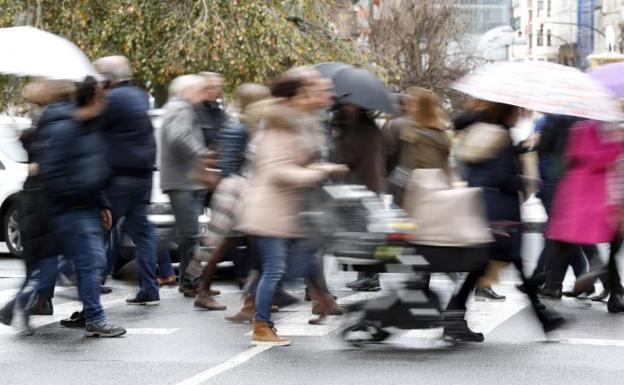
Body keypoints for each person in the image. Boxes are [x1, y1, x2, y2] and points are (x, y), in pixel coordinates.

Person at [239, 72, 347, 346]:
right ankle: (261, 325)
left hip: (288, 210)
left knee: (303, 261)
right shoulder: (278, 125)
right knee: (274, 269)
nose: (313, 96)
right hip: (271, 209)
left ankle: (318, 302)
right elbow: (276, 170)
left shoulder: (296, 122)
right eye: (307, 91)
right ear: (296, 96)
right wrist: (319, 172)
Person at [462, 101, 565, 334]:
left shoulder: (487, 132)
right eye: (516, 111)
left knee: (492, 264)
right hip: (501, 212)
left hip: (489, 208)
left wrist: (519, 149)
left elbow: (483, 171)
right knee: (498, 262)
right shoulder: (501, 137)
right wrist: (527, 182)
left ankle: (543, 318)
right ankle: (542, 318)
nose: (519, 115)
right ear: (506, 113)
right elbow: (500, 176)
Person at [38, 76, 126, 337]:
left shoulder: (89, 127)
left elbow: (92, 169)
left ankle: (89, 313)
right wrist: (79, 196)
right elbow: (53, 173)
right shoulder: (68, 129)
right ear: (94, 99)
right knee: (90, 263)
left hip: (85, 206)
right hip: (73, 209)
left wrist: (102, 203)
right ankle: (95, 318)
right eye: (102, 97)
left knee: (88, 263)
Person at [0, 79, 73, 329]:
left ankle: (30, 303)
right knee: (54, 260)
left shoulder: (41, 124)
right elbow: (50, 166)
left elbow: (36, 160)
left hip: (33, 199)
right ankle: (20, 304)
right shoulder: (59, 123)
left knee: (40, 262)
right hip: (46, 202)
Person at [193, 83, 272, 311]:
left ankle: (211, 290)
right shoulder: (240, 128)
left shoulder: (241, 124)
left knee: (222, 244)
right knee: (219, 245)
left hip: (235, 190)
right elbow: (229, 163)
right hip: (236, 192)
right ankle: (205, 290)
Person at [94, 55, 160, 305]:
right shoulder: (139, 96)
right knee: (143, 234)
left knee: (96, 230)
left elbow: (94, 128)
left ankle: (91, 287)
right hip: (142, 176)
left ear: (108, 79)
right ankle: (149, 288)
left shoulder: (112, 100)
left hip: (119, 177)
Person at [543, 120, 624, 312]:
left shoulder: (591, 127)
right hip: (592, 194)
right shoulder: (586, 128)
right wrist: (617, 146)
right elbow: (589, 157)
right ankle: (611, 287)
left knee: (606, 244)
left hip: (596, 195)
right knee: (570, 244)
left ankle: (612, 290)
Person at [160, 75, 213, 298]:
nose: (203, 94)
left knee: (186, 235)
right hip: (183, 181)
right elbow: (179, 136)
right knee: (189, 235)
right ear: (188, 91)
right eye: (200, 90)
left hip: (183, 181)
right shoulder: (181, 108)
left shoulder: (177, 107)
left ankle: (190, 280)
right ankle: (191, 282)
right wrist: (202, 154)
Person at [333, 103, 384, 292]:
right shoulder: (370, 125)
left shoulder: (359, 128)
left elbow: (347, 156)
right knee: (365, 233)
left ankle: (369, 277)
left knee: (364, 234)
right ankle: (367, 275)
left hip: (360, 185)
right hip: (369, 184)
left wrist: (338, 138)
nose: (346, 107)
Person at [387, 86, 451, 204]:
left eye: (412, 104)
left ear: (422, 108)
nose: (407, 108)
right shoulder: (439, 132)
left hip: (418, 197)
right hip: (434, 194)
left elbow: (411, 168)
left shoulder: (418, 135)